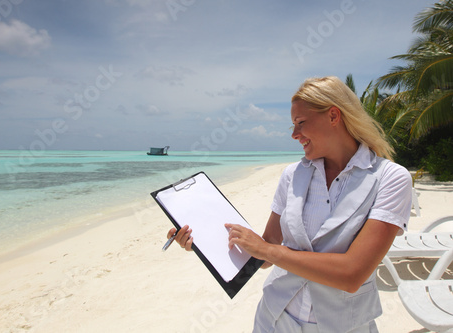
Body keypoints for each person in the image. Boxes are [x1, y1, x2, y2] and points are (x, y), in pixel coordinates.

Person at [167, 76, 412, 333]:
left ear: (333, 116)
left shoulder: (390, 179)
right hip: (274, 318)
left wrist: (267, 250)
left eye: (301, 123)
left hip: (343, 326)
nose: (295, 135)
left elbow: (352, 274)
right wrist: (206, 244)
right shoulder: (291, 175)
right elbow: (263, 257)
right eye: (293, 126)